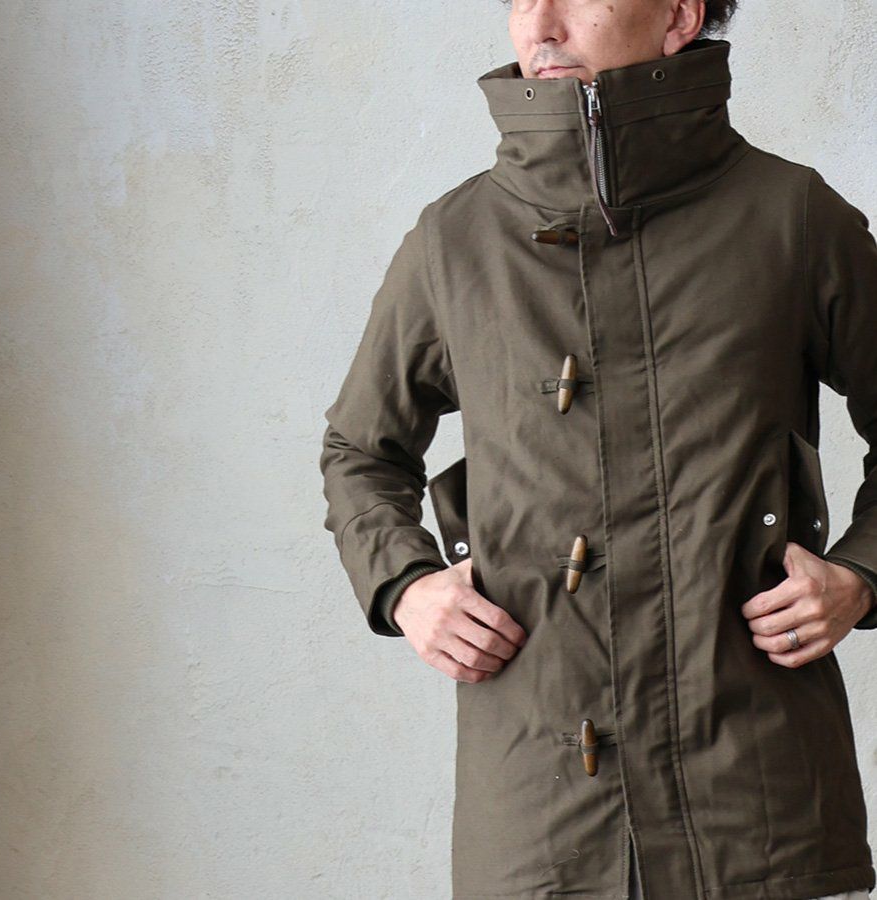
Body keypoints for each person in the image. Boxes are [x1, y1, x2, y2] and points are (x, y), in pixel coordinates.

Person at [319, 2, 877, 898]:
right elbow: (360, 449)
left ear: (679, 15)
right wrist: (406, 586)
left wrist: (861, 575)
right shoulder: (456, 242)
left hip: (759, 807)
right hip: (541, 819)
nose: (539, 23)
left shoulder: (792, 218)